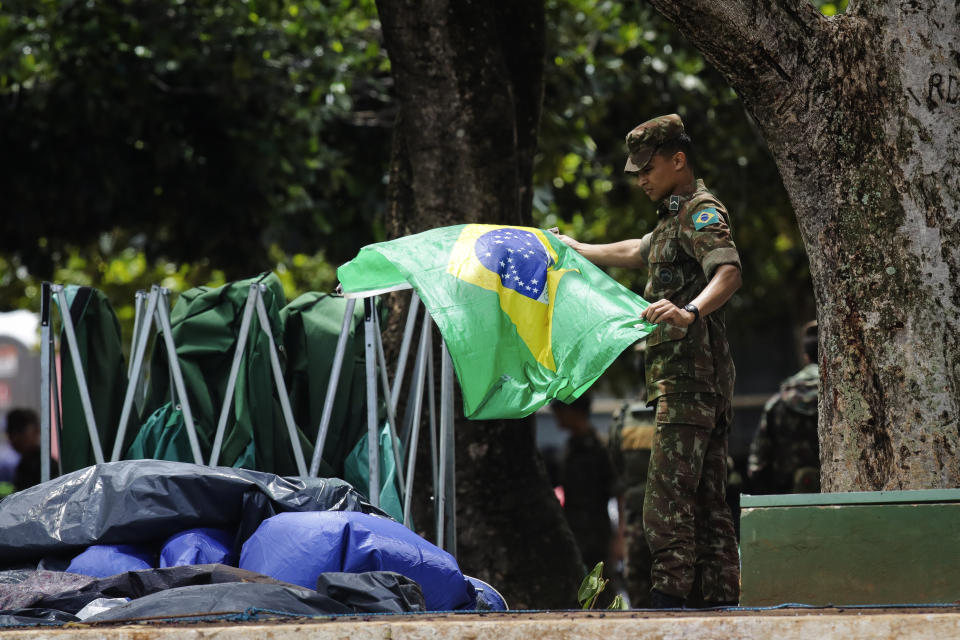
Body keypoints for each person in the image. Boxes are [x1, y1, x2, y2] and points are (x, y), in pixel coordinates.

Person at [554, 113, 742, 608]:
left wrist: (689, 311)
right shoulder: (672, 219)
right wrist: (577, 249)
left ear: (678, 161)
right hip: (688, 381)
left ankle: (667, 601)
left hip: (689, 380)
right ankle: (718, 601)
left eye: (648, 168)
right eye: (635, 171)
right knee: (705, 500)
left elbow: (727, 272)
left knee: (662, 501)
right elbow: (637, 251)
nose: (641, 179)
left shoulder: (700, 211)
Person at [748, 321, 820, 494]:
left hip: (789, 499)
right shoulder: (843, 399)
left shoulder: (778, 403)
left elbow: (757, 465)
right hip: (844, 498)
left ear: (806, 356)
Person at [550, 394, 617, 577]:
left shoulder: (601, 449)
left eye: (561, 411)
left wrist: (619, 539)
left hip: (597, 533)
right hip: (572, 530)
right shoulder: (569, 447)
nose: (557, 417)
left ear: (574, 412)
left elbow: (618, 491)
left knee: (600, 586)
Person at [607, 400, 655, 608]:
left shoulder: (626, 418)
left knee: (639, 592)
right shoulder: (686, 408)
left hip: (636, 520)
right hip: (679, 523)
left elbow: (617, 469)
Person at [5, 407, 44, 491]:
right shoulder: (24, 462)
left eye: (20, 430)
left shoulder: (44, 465)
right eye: (10, 432)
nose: (14, 438)